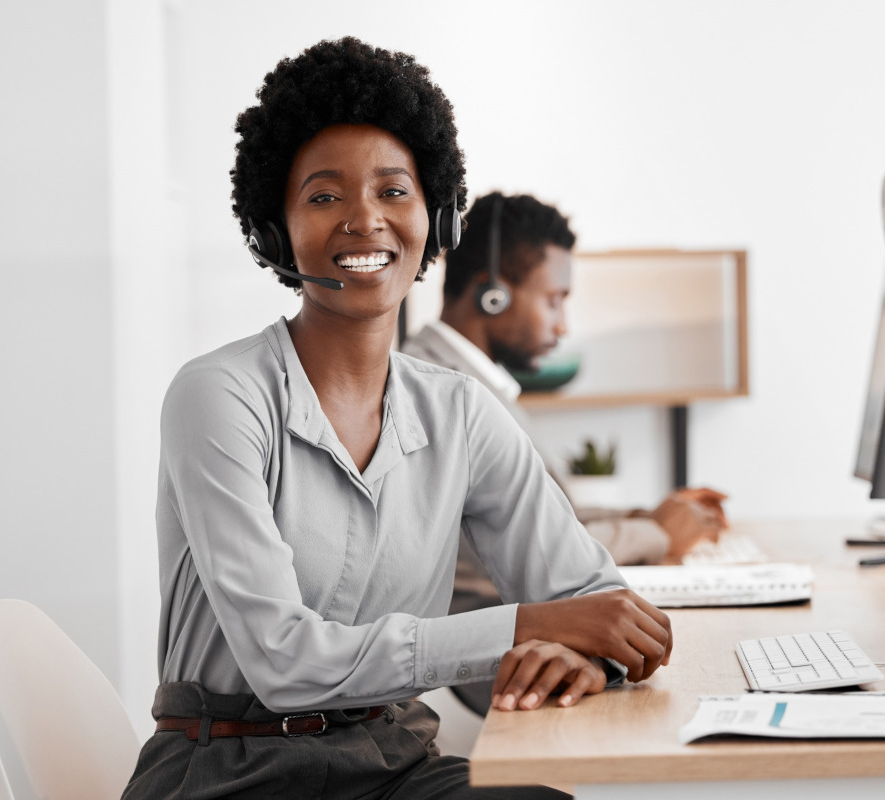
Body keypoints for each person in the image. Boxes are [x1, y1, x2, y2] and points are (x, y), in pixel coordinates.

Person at [121, 38, 672, 800]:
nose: (364, 219)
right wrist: (525, 629)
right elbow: (283, 661)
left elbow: (597, 602)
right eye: (324, 197)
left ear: (437, 218)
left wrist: (580, 652)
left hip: (390, 762)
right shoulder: (217, 396)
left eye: (393, 191)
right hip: (229, 772)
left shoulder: (461, 413)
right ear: (276, 230)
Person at [402, 192, 727, 715]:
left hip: (529, 628)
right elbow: (530, 548)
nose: (563, 325)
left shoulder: (477, 384)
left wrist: (646, 516)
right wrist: (659, 533)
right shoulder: (433, 391)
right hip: (502, 646)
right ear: (492, 295)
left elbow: (552, 515)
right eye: (554, 299)